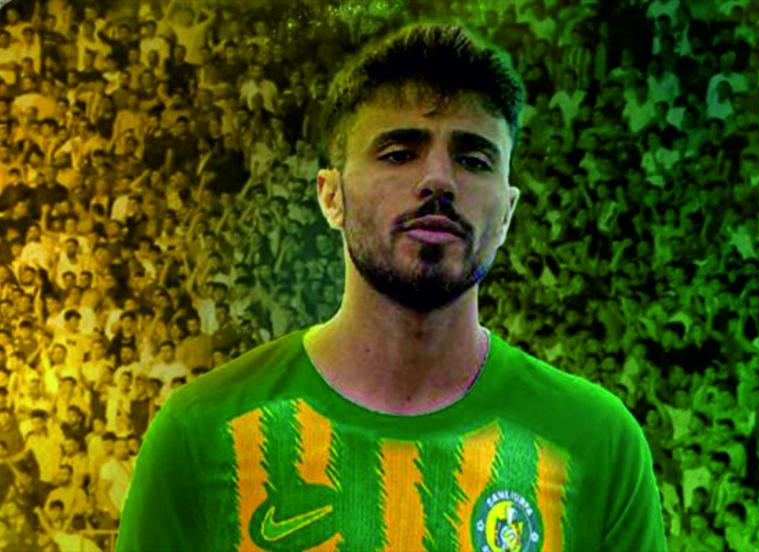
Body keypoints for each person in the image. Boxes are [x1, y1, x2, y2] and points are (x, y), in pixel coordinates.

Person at [116, 23, 667, 551]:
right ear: (331, 196)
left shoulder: (596, 442)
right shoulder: (202, 432)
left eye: (473, 159)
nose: (438, 180)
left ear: (507, 212)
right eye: (399, 153)